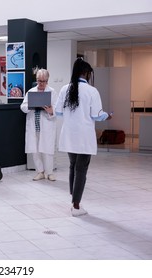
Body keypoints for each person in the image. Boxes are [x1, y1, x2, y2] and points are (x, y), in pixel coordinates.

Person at [55, 58, 112, 217]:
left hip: (68, 135)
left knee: (73, 166)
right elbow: (97, 115)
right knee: (81, 170)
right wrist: (107, 116)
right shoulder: (92, 91)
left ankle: (73, 199)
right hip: (84, 136)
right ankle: (76, 206)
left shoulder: (65, 89)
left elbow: (58, 112)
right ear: (86, 73)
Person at [20, 69, 58, 181]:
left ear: (47, 81)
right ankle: (40, 172)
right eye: (39, 81)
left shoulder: (52, 92)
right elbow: (23, 106)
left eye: (43, 81)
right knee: (35, 150)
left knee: (47, 150)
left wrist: (51, 110)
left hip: (47, 125)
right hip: (34, 126)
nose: (41, 83)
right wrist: (30, 106)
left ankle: (49, 173)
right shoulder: (31, 92)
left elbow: (57, 108)